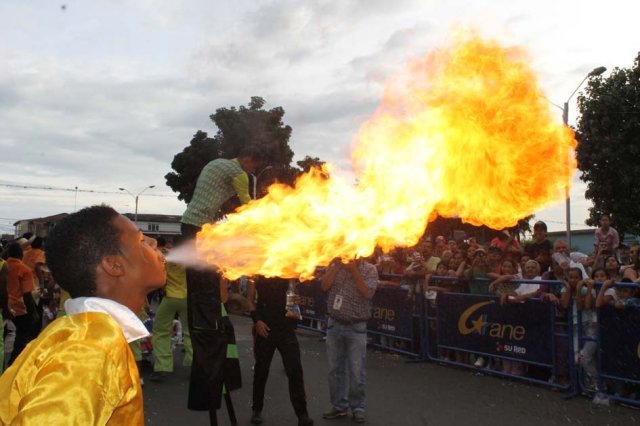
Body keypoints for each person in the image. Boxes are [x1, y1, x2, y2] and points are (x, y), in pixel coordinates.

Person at [0, 205, 166, 424]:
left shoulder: (80, 333)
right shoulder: (90, 350)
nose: (154, 243)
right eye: (141, 240)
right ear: (114, 265)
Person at [180, 146, 265, 415]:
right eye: (253, 168)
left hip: (191, 226)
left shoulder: (217, 163)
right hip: (197, 230)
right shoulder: (238, 173)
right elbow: (247, 206)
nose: (252, 173)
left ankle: (208, 329)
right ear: (248, 159)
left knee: (201, 291)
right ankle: (209, 337)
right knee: (206, 295)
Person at [247, 277, 313, 426]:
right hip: (265, 328)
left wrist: (294, 313)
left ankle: (302, 414)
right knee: (261, 370)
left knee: (295, 370)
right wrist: (257, 320)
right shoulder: (256, 271)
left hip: (285, 329)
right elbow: (250, 301)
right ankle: (257, 409)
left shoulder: (286, 267)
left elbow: (293, 297)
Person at [321, 258, 378, 423]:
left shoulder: (369, 269)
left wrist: (353, 270)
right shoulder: (334, 265)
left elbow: (368, 293)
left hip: (356, 327)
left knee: (356, 371)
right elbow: (324, 286)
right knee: (334, 370)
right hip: (334, 325)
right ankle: (338, 406)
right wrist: (337, 266)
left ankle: (358, 407)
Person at [150, 236, 193, 381]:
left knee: (161, 331)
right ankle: (193, 364)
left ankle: (163, 367)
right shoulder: (191, 259)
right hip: (187, 299)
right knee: (189, 332)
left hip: (169, 298)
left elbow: (160, 279)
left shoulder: (165, 257)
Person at [4, 243, 38, 365]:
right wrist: (33, 312)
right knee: (22, 336)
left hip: (3, 307)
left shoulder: (3, 265)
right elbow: (27, 294)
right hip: (18, 309)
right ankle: (13, 362)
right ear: (21, 255)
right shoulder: (24, 270)